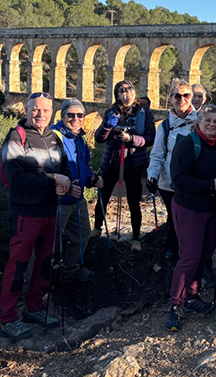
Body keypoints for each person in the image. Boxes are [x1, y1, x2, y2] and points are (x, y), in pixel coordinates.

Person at [0, 92, 71, 340]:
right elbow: (16, 178)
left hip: (51, 211)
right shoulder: (15, 137)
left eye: (46, 110)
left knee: (45, 263)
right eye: (35, 109)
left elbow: (64, 169)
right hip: (26, 213)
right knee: (17, 265)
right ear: (26, 110)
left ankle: (34, 307)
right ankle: (8, 318)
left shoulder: (54, 137)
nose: (40, 114)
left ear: (52, 113)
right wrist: (52, 179)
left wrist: (69, 184)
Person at [166, 105, 216, 330]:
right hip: (188, 208)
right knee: (189, 257)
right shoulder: (188, 144)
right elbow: (178, 178)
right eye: (208, 120)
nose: (212, 124)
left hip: (211, 209)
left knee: (203, 255)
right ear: (199, 122)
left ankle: (191, 297)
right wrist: (210, 185)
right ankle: (174, 305)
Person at [93, 80, 156, 252]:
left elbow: (150, 138)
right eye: (122, 91)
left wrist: (131, 139)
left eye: (129, 89)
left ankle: (135, 237)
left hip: (133, 164)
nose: (126, 93)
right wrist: (107, 126)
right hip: (112, 162)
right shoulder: (111, 112)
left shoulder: (145, 113)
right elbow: (99, 138)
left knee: (134, 202)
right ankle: (97, 229)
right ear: (118, 95)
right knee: (103, 197)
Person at [52, 98, 104, 283]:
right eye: (71, 115)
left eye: (80, 115)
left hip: (78, 199)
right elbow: (48, 170)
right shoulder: (54, 137)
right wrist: (66, 188)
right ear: (62, 115)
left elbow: (84, 165)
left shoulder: (80, 137)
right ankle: (41, 280)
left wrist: (92, 179)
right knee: (50, 242)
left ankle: (71, 270)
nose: (76, 119)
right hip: (59, 201)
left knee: (82, 235)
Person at [147, 79, 198, 262]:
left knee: (189, 219)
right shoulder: (165, 126)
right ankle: (175, 254)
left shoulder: (200, 122)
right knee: (174, 217)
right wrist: (152, 176)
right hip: (169, 183)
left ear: (191, 97)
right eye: (177, 96)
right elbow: (157, 154)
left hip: (192, 182)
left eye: (186, 95)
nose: (182, 99)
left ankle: (189, 256)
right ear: (170, 98)